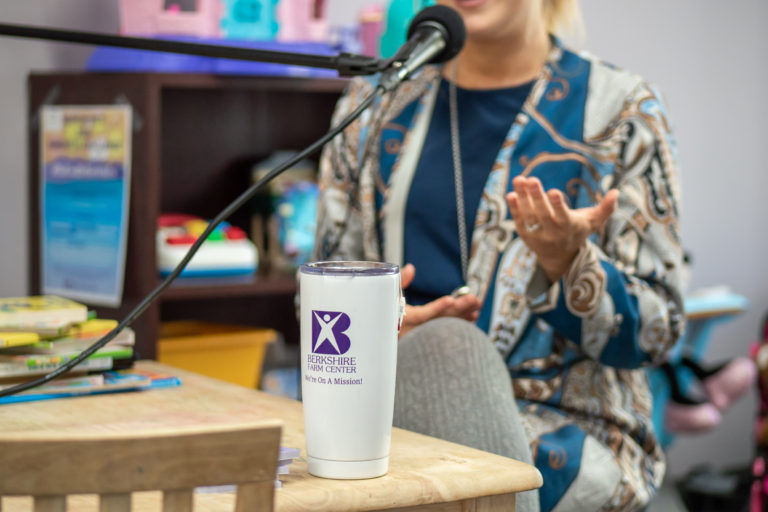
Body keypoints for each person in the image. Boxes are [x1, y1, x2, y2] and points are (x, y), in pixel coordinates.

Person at [313, 0, 685, 510]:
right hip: (387, 421)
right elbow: (319, 301)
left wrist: (570, 266)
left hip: (561, 437)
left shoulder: (621, 111)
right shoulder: (377, 102)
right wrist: (386, 329)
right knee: (444, 347)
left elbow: (658, 331)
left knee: (450, 347)